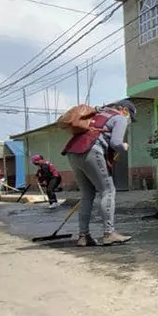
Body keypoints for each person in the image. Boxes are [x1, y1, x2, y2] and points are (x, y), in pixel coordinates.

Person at [61, 100, 135, 247]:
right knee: (108, 191)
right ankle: (109, 233)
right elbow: (116, 143)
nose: (129, 121)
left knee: (87, 195)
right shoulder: (119, 117)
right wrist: (124, 147)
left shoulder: (98, 114)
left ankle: (84, 236)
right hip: (91, 151)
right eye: (130, 117)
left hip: (73, 152)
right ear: (125, 110)